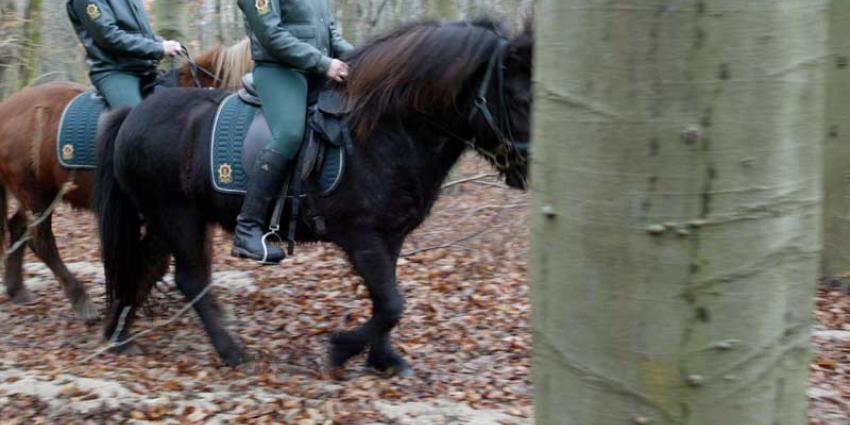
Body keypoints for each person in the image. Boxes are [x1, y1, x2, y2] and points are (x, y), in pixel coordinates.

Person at [234, 0, 353, 264]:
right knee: (289, 133)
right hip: (279, 69)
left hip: (317, 69)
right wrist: (324, 64)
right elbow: (270, 34)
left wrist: (360, 59)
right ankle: (247, 228)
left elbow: (330, 33)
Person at [67, 0, 183, 108]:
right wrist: (157, 48)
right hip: (115, 71)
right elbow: (108, 37)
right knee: (136, 122)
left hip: (145, 70)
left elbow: (143, 34)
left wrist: (162, 42)